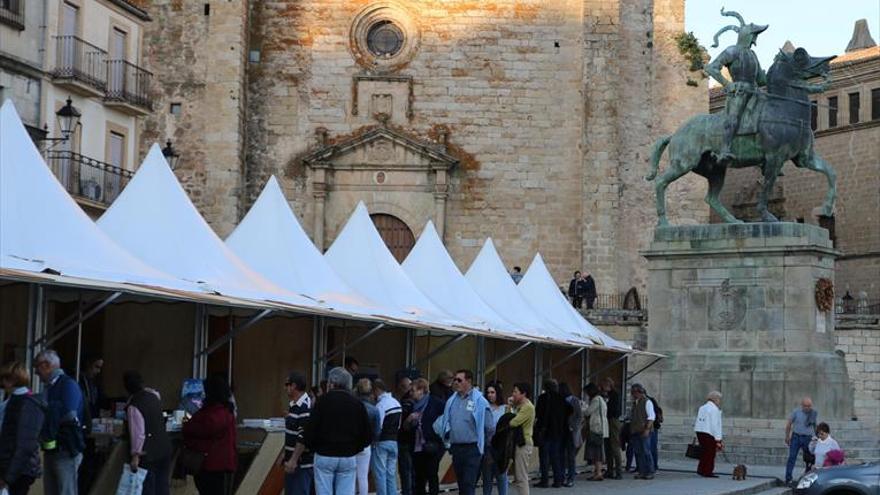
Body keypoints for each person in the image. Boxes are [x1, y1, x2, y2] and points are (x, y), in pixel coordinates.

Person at [705, 8, 769, 164]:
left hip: (755, 92)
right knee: (733, 118)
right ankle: (724, 149)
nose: (755, 39)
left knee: (769, 115)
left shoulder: (753, 55)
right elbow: (711, 68)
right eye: (754, 35)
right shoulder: (732, 51)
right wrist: (727, 84)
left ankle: (765, 152)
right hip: (738, 92)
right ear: (748, 36)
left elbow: (761, 80)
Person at [300, 367, 372, 495]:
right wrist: (356, 448)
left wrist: (313, 447)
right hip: (348, 455)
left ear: (331, 384)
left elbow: (310, 430)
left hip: (324, 454)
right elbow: (366, 435)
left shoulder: (322, 402)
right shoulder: (357, 404)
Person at [435, 369, 494, 495]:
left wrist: (485, 445)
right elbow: (447, 421)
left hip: (472, 448)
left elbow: (489, 426)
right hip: (456, 448)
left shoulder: (480, 401)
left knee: (468, 484)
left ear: (468, 381)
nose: (455, 382)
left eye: (459, 380)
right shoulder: (452, 401)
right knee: (462, 484)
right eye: (454, 380)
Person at [35, 349, 85, 495]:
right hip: (52, 448)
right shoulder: (49, 387)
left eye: (37, 367)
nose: (36, 372)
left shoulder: (67, 385)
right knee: (52, 490)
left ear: (46, 365)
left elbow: (69, 414)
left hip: (66, 449)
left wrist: (49, 421)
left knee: (65, 490)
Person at [182, 374, 237, 494]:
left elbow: (206, 428)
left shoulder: (216, 412)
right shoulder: (225, 409)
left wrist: (187, 426)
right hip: (217, 464)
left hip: (212, 464)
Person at [123, 371, 172, 495]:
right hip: (164, 448)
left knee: (148, 488)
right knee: (162, 486)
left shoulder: (134, 406)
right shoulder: (154, 397)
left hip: (148, 453)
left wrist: (135, 456)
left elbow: (138, 434)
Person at [0, 362, 44, 495]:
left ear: (12, 381)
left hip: (18, 469)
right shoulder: (16, 401)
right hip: (17, 467)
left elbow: (24, 445)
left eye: (5, 379)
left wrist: (8, 477)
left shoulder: (25, 404)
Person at [405, 378, 445, 495]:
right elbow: (405, 427)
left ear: (421, 390)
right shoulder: (411, 405)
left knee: (432, 474)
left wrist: (440, 437)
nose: (410, 393)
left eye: (413, 390)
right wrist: (409, 419)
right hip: (416, 446)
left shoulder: (436, 403)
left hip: (432, 445)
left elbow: (445, 421)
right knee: (418, 476)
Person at [280, 372, 313, 495]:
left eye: (286, 384)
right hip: (293, 463)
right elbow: (293, 432)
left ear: (293, 386)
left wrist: (293, 459)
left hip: (301, 465)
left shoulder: (305, 406)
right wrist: (285, 454)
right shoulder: (294, 404)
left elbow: (303, 435)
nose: (285, 387)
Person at [77, 355, 103, 494]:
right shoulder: (78, 381)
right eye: (96, 367)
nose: (98, 371)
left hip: (90, 427)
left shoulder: (93, 384)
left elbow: (100, 400)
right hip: (82, 427)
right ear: (88, 365)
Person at [534, 380, 567, 488]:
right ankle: (558, 480)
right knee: (555, 456)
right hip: (557, 431)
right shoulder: (561, 398)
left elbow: (537, 413)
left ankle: (545, 480)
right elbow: (569, 411)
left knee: (544, 457)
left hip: (545, 430)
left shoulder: (543, 398)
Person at [373, 379, 402, 495]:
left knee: (380, 473)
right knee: (391, 474)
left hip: (382, 442)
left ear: (377, 390)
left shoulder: (381, 405)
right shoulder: (396, 402)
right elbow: (399, 425)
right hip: (394, 441)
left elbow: (378, 426)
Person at [481, 382, 509, 495]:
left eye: (492, 392)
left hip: (501, 448)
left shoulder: (505, 408)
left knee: (501, 477)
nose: (490, 395)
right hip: (487, 446)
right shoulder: (484, 408)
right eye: (488, 392)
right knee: (487, 478)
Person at [355, 378, 380, 495]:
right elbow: (377, 432)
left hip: (350, 444)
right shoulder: (374, 410)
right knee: (363, 477)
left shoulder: (352, 406)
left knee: (349, 476)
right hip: (366, 445)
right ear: (370, 392)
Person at [508, 383, 534, 495]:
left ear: (523, 393)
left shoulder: (528, 407)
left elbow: (513, 422)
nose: (513, 394)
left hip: (523, 443)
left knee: (521, 476)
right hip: (517, 442)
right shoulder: (519, 406)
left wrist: (510, 408)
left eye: (515, 392)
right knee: (518, 476)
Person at [785, 397, 818, 485]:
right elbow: (789, 424)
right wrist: (787, 436)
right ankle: (788, 478)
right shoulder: (796, 412)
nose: (808, 408)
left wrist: (817, 437)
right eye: (806, 406)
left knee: (809, 459)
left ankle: (807, 476)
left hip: (807, 438)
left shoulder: (813, 413)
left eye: (809, 406)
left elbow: (815, 425)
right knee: (792, 457)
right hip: (796, 437)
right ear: (802, 405)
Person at [628, 383, 655, 480]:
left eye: (633, 393)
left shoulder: (647, 402)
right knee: (638, 452)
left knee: (646, 451)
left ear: (639, 392)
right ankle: (641, 471)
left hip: (644, 430)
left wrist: (647, 429)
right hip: (636, 431)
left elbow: (651, 417)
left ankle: (650, 471)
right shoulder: (635, 403)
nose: (632, 395)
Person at [694, 391, 723, 478]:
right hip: (709, 432)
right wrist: (718, 439)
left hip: (700, 431)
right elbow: (715, 425)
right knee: (710, 453)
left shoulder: (702, 407)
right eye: (719, 399)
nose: (719, 401)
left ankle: (701, 469)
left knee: (704, 452)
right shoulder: (714, 409)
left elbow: (698, 420)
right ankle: (707, 471)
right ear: (715, 399)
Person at [583, 383, 608, 481]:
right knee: (598, 451)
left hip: (596, 429)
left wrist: (582, 407)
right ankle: (598, 472)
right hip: (600, 428)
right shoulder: (601, 399)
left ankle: (598, 473)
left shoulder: (596, 400)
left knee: (596, 452)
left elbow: (588, 412)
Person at [600, 377, 624, 479]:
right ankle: (610, 470)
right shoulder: (609, 395)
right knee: (608, 447)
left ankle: (618, 471)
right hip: (609, 420)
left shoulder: (615, 395)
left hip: (613, 420)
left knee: (614, 446)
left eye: (603, 386)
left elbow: (613, 410)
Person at [559, 383, 582, 487]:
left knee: (571, 456)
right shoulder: (560, 401)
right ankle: (563, 476)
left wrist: (573, 426)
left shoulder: (574, 400)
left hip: (572, 431)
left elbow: (579, 416)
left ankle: (571, 477)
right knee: (563, 455)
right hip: (563, 430)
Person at [396, 376, 415, 495]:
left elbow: (402, 423)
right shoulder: (416, 401)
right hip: (413, 441)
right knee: (412, 470)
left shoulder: (406, 402)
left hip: (404, 441)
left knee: (405, 470)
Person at [646, 392, 663, 471]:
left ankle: (653, 466)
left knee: (652, 447)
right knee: (651, 447)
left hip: (652, 427)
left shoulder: (648, 401)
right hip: (653, 426)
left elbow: (652, 416)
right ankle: (653, 465)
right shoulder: (651, 400)